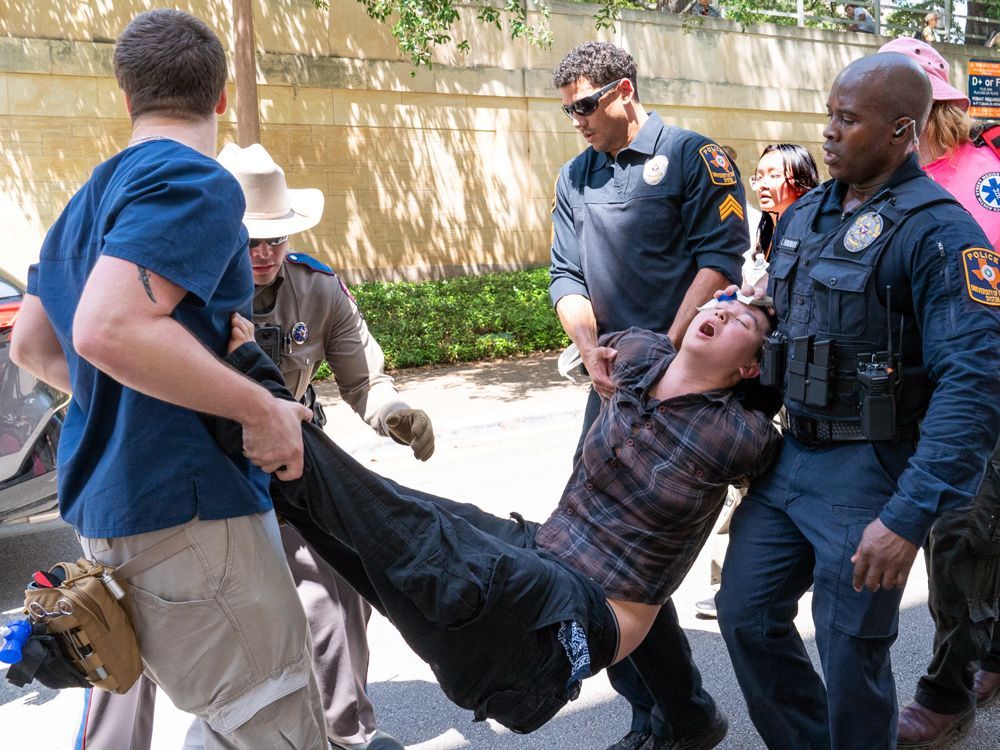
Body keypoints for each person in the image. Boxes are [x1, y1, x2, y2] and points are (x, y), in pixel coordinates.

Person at [219, 296, 780, 737]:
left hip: (593, 611)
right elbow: (594, 330)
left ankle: (265, 403)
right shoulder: (634, 355)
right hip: (542, 546)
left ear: (751, 364)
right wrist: (591, 352)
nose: (724, 311)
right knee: (415, 514)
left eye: (742, 323)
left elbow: (788, 452)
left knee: (428, 546)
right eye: (722, 304)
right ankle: (268, 458)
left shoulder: (740, 437)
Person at [9, 9, 326, 749]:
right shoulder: (193, 178)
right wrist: (258, 407)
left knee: (230, 721)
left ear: (127, 96)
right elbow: (107, 329)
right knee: (273, 722)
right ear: (219, 100)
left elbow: (33, 343)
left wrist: (125, 401)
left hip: (117, 513)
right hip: (190, 511)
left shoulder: (84, 200)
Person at [76, 144, 430, 750]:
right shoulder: (176, 289)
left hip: (283, 463)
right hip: (188, 473)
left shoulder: (317, 290)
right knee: (125, 619)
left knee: (336, 580)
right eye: (249, 238)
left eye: (275, 237)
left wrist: (394, 413)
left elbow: (362, 378)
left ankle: (346, 733)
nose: (263, 252)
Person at [715, 51, 1000, 750]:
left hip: (871, 471)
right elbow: (788, 320)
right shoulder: (808, 213)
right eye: (829, 116)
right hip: (791, 459)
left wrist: (906, 519)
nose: (830, 133)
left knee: (852, 657)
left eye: (848, 120)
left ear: (904, 130)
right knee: (745, 613)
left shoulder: (941, 233)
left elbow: (976, 382)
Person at [549, 40, 750, 750]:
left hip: (688, 392)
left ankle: (684, 718)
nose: (576, 120)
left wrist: (667, 355)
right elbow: (565, 276)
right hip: (612, 386)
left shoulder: (695, 157)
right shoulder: (578, 174)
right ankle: (666, 715)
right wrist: (588, 348)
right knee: (586, 557)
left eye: (584, 105)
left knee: (637, 563)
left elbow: (720, 259)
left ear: (624, 91)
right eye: (567, 108)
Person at [877, 37, 1000, 747]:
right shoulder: (882, 184)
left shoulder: (977, 179)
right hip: (908, 390)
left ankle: (948, 691)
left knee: (959, 534)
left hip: (974, 387)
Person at [695, 144, 819, 619]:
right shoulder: (765, 228)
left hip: (790, 378)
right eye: (759, 174)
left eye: (774, 175)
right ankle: (734, 580)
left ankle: (758, 577)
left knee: (761, 473)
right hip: (765, 371)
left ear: (801, 179)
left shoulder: (813, 223)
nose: (762, 183)